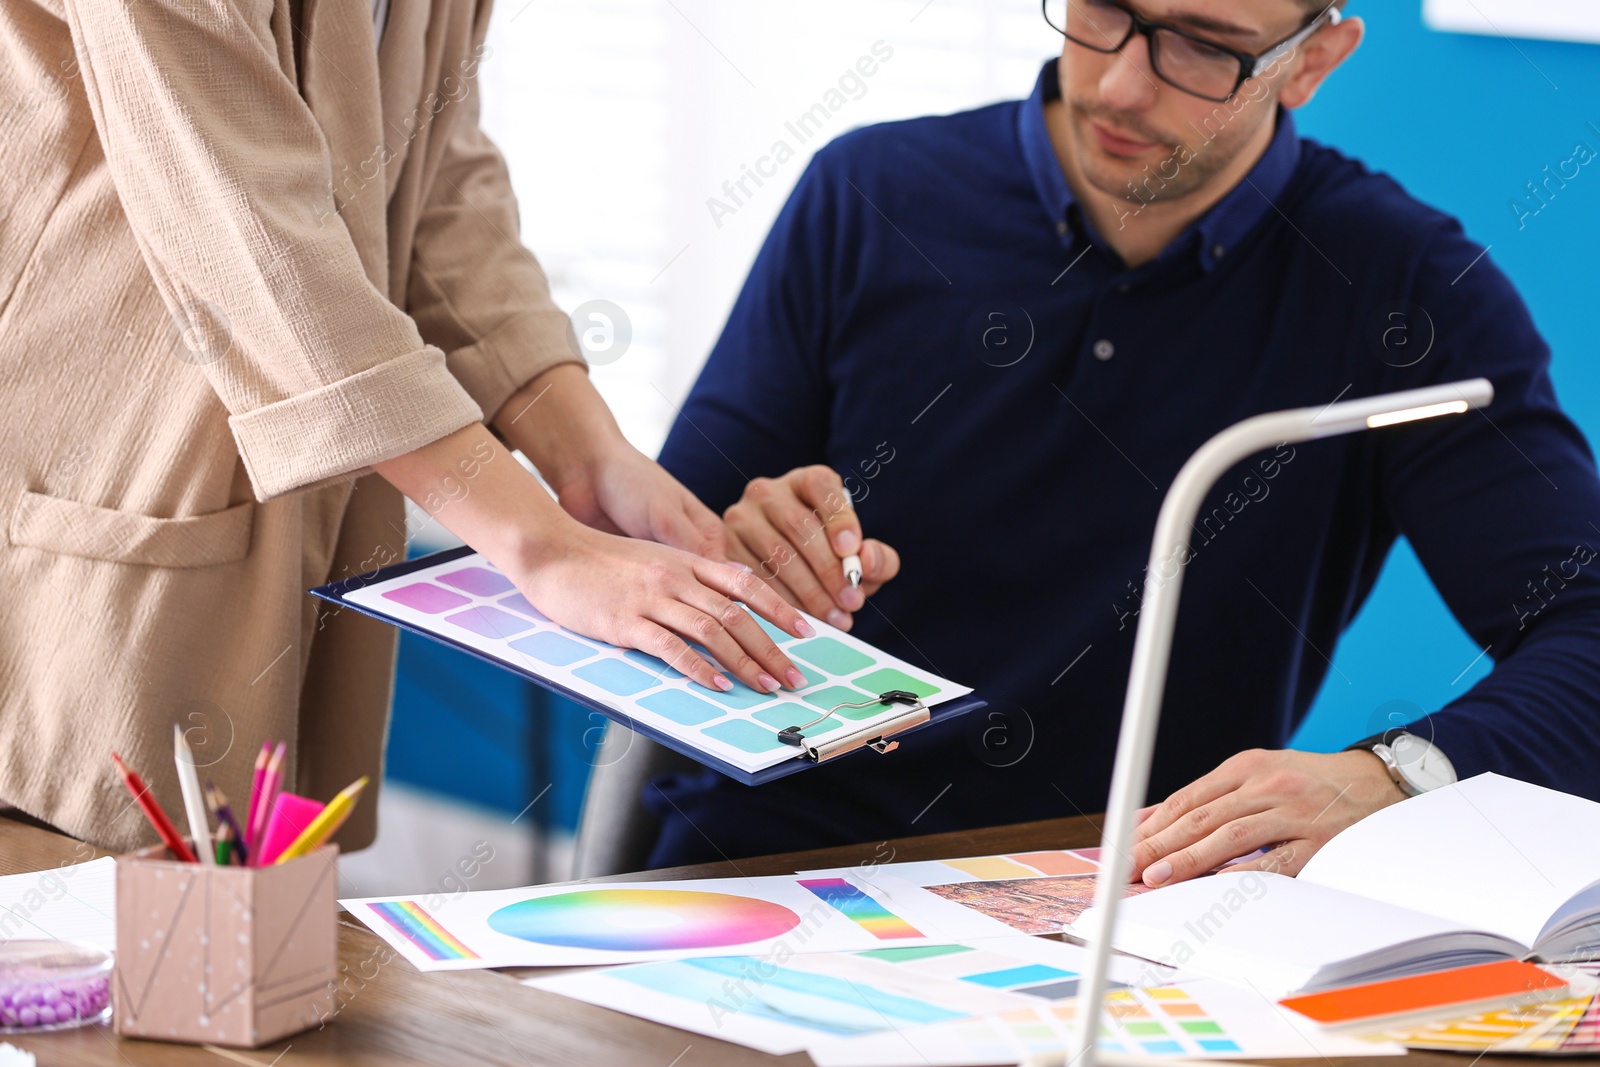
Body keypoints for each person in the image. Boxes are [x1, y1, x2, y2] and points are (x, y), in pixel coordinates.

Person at [646, 0, 1600, 880]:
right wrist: (737, 547)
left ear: (1312, 62)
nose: (1117, 86)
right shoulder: (869, 193)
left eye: (1202, 47)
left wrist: (1400, 775)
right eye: (1102, 9)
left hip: (1124, 908)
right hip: (754, 870)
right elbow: (655, 550)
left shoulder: (1408, 293)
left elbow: (1587, 626)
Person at [0, 0, 813, 852]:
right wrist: (542, 543)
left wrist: (589, 456)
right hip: (89, 506)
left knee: (259, 947)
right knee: (112, 955)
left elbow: (435, 182)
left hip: (271, 511)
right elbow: (251, 232)